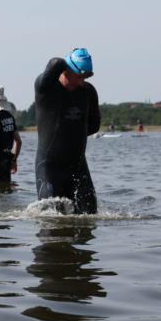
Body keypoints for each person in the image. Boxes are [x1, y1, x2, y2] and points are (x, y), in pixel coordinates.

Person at [34, 48, 101, 214]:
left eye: (85, 77)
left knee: (90, 217)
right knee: (52, 217)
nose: (81, 82)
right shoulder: (46, 88)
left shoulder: (88, 92)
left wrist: (70, 134)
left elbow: (94, 126)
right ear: (66, 69)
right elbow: (54, 63)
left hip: (77, 166)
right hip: (49, 167)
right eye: (79, 76)